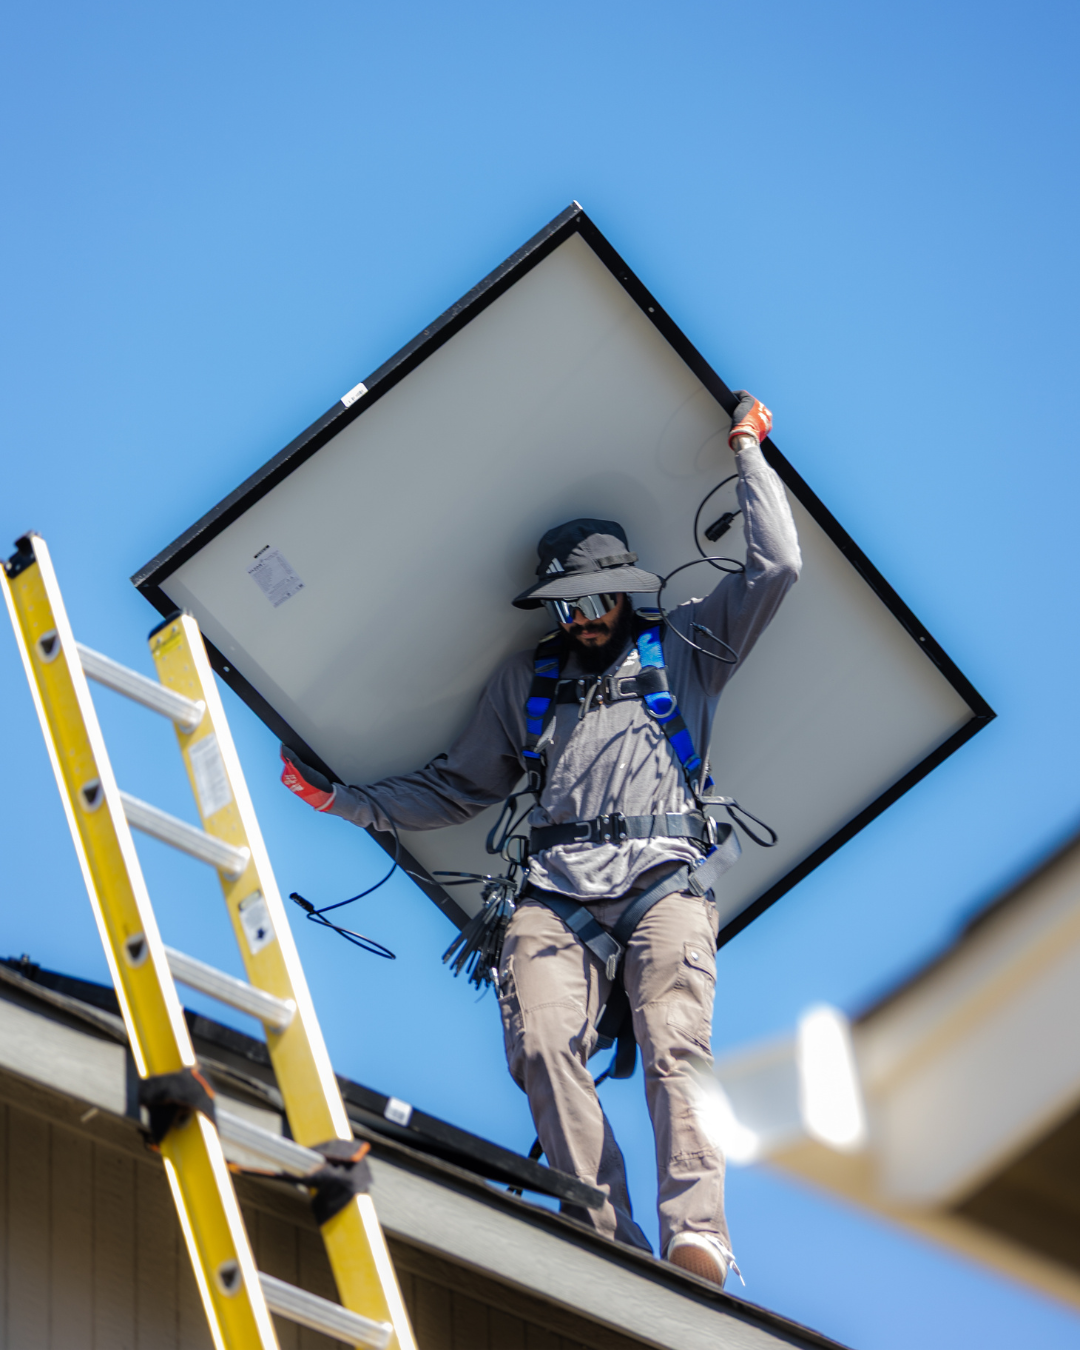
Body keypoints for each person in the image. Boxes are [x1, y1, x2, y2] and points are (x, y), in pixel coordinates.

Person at [280, 392, 801, 1288]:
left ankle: (699, 1235)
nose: (583, 618)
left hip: (663, 885)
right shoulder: (530, 679)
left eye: (596, 600)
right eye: (567, 606)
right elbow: (456, 784)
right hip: (554, 895)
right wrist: (346, 803)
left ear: (625, 590)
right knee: (540, 1044)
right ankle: (604, 1233)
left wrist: (748, 451)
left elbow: (778, 565)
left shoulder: (687, 647)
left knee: (677, 1045)